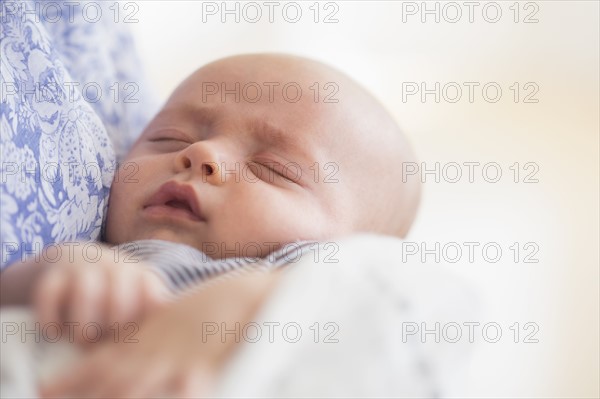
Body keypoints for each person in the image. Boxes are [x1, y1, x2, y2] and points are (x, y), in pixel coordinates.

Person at [0, 53, 421, 398]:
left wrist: (255, 296)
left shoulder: (314, 272)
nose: (201, 153)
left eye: (273, 169)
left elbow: (374, 290)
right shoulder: (104, 252)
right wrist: (64, 265)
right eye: (169, 138)